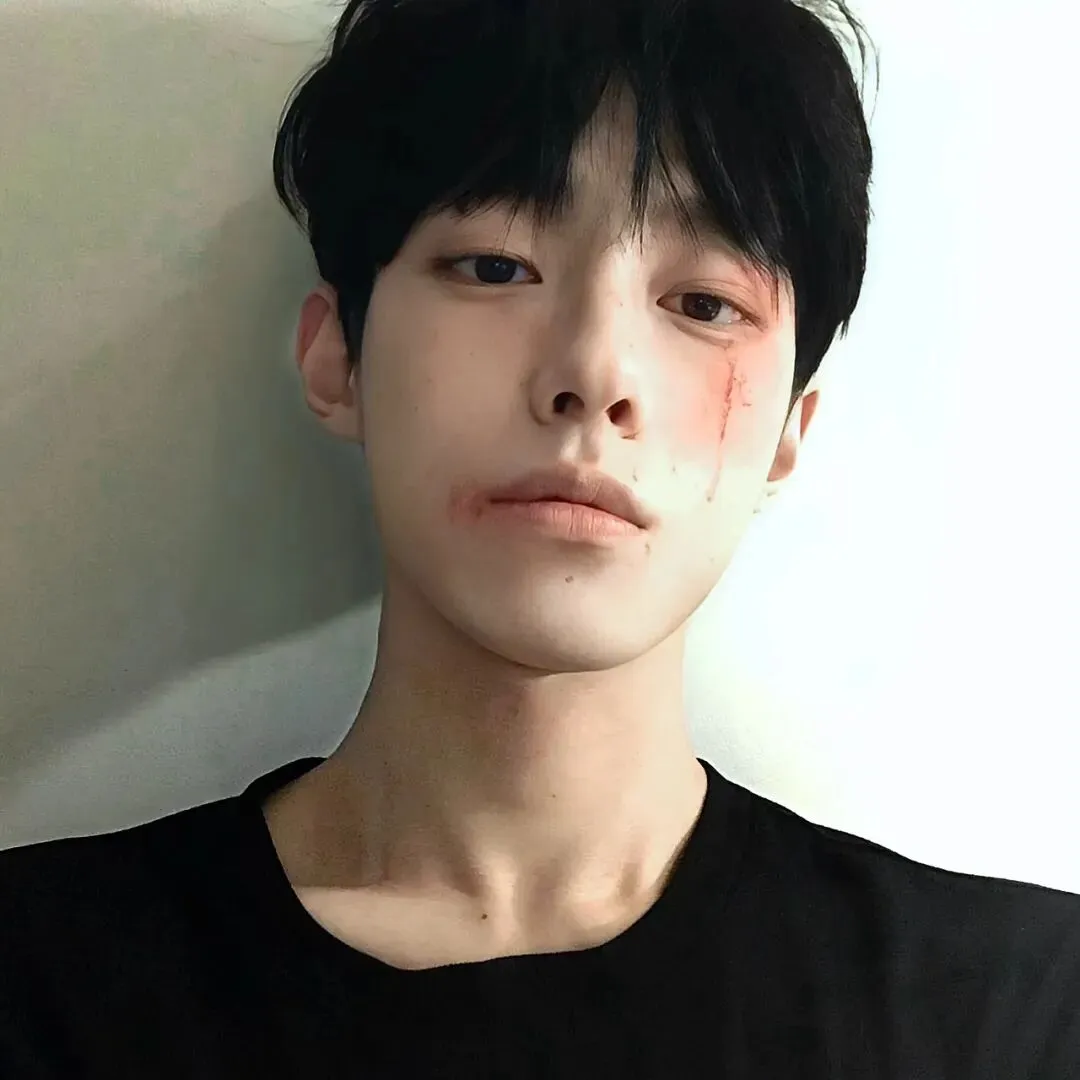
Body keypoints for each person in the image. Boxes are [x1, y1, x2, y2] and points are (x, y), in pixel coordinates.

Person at [2, 0, 1078, 1075]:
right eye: (495, 267)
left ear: (789, 433)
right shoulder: (40, 983)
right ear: (339, 359)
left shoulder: (1019, 1017)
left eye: (704, 303)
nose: (594, 375)